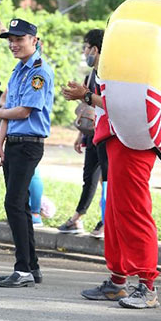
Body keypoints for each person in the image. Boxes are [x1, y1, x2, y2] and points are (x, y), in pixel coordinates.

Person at [0, 18, 54, 288]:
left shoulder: (39, 72)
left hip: (29, 143)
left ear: (34, 41)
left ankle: (23, 268)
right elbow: (7, 112)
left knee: (14, 203)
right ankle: (32, 267)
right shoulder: (18, 70)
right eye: (10, 40)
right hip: (14, 142)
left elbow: (22, 110)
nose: (13, 44)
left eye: (19, 39)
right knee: (20, 205)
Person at [59, 29, 108, 238]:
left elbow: (107, 103)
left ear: (95, 49)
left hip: (107, 135)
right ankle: (78, 218)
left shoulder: (109, 75)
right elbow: (87, 107)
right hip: (92, 134)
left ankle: (106, 222)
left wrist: (85, 95)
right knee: (89, 177)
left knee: (107, 180)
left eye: (86, 48)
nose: (85, 52)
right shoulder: (91, 76)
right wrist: (81, 135)